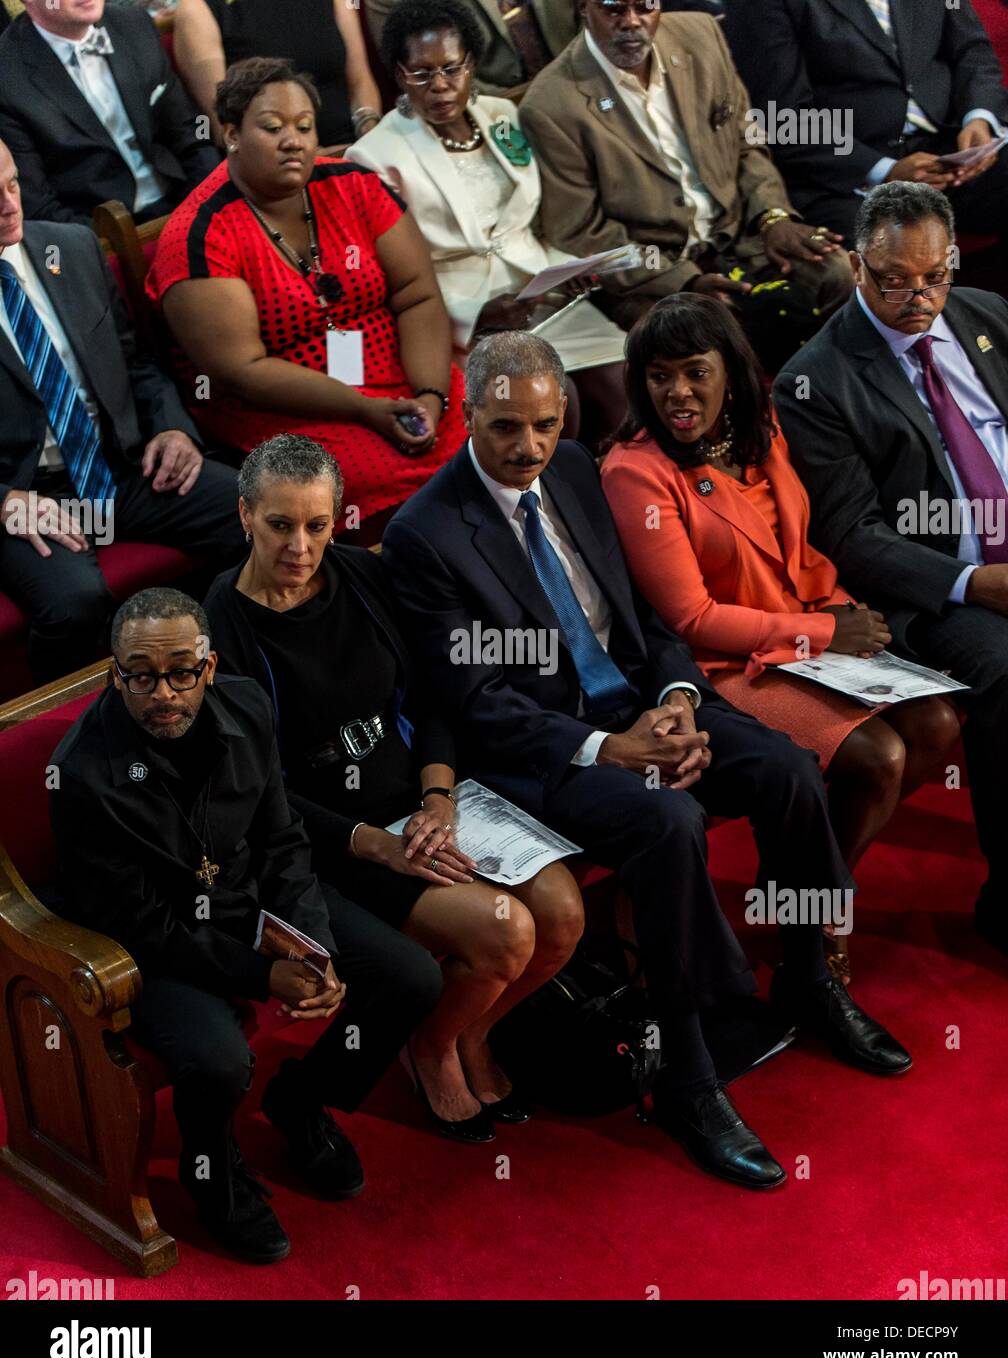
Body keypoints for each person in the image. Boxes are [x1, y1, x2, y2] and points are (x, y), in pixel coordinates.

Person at [382, 330, 911, 1193]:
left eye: (545, 426)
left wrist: (676, 702)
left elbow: (649, 628)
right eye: (507, 428)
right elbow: (474, 702)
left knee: (784, 770)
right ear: (467, 415)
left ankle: (810, 974)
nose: (528, 449)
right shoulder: (424, 534)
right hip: (539, 751)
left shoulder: (580, 473)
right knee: (670, 823)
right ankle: (690, 1078)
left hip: (640, 706)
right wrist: (606, 749)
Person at [203, 432, 585, 1142]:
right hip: (326, 841)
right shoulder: (221, 627)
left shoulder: (364, 577)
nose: (300, 546)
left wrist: (438, 796)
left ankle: (469, 1032)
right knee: (508, 933)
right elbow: (256, 793)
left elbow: (433, 698)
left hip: (420, 806)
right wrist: (377, 845)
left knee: (562, 910)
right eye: (280, 525)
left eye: (317, 525)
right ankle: (434, 1045)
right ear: (244, 515)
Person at [49, 586, 443, 1263]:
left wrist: (311, 944)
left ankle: (302, 1100)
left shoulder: (246, 704)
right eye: (140, 675)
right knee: (218, 1058)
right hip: (154, 941)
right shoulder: (81, 774)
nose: (162, 692)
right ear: (117, 674)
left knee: (410, 976)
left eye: (181, 672)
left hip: (247, 898)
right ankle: (212, 1172)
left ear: (208, 666)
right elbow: (145, 929)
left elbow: (282, 836)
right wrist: (266, 975)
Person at [601, 294, 961, 980]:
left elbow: (801, 550)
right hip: (729, 665)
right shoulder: (633, 471)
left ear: (730, 372)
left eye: (694, 372)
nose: (677, 391)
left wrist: (842, 611)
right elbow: (693, 619)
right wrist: (823, 631)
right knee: (878, 756)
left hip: (809, 638)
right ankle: (816, 918)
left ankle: (794, 891)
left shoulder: (759, 425)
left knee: (938, 721)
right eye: (658, 375)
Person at [774, 182, 1008, 954]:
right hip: (937, 595)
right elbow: (852, 533)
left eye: (934, 275)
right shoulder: (816, 378)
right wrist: (976, 582)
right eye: (894, 279)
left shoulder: (987, 319)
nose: (918, 296)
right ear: (856, 265)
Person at [147, 57, 467, 541]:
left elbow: (417, 296)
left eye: (305, 126)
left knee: (488, 422)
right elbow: (243, 370)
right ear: (231, 134)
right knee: (370, 478)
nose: (293, 140)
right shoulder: (199, 235)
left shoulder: (355, 185)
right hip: (284, 407)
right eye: (272, 127)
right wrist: (368, 410)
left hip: (398, 376)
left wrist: (429, 395)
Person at [0, 139, 245, 685]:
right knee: (74, 601)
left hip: (123, 467)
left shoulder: (72, 248)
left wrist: (175, 431)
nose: (9, 205)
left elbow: (138, 365)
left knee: (254, 513)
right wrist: (5, 501)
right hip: (26, 496)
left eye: (13, 184)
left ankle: (225, 676)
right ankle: (74, 734)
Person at [347, 0, 628, 445]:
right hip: (463, 315)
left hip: (540, 297)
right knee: (554, 401)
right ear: (400, 75)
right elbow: (395, 276)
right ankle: (547, 503)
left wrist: (568, 269)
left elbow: (528, 227)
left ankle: (611, 495)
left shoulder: (502, 116)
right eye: (421, 74)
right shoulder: (375, 156)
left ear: (472, 65)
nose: (439, 86)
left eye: (451, 69)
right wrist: (475, 315)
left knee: (622, 384)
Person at [518, 3, 854, 374]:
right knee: (697, 331)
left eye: (645, 5)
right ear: (583, 6)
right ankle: (753, 414)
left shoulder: (702, 36)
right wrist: (684, 280)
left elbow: (747, 142)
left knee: (833, 271)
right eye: (613, 8)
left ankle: (828, 401)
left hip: (739, 238)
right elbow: (582, 233)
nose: (631, 21)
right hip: (651, 273)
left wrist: (772, 217)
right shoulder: (551, 104)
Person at [722, 0, 1008, 244]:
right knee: (885, 247)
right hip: (845, 172)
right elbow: (783, 118)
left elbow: (972, 51)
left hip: (946, 149)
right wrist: (884, 170)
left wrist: (979, 118)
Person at [0, 0, 219, 225]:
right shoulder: (7, 77)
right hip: (99, 235)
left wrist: (207, 197)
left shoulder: (134, 23)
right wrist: (103, 246)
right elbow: (37, 205)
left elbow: (193, 129)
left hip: (185, 200)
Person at [173, 0, 383, 153]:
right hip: (276, 168)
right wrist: (308, 156)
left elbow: (360, 81)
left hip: (354, 148)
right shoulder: (196, 9)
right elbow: (224, 127)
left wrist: (368, 133)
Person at [366, 0, 581, 98]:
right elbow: (412, 69)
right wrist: (508, 103)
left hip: (583, 79)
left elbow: (598, 17)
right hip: (488, 109)